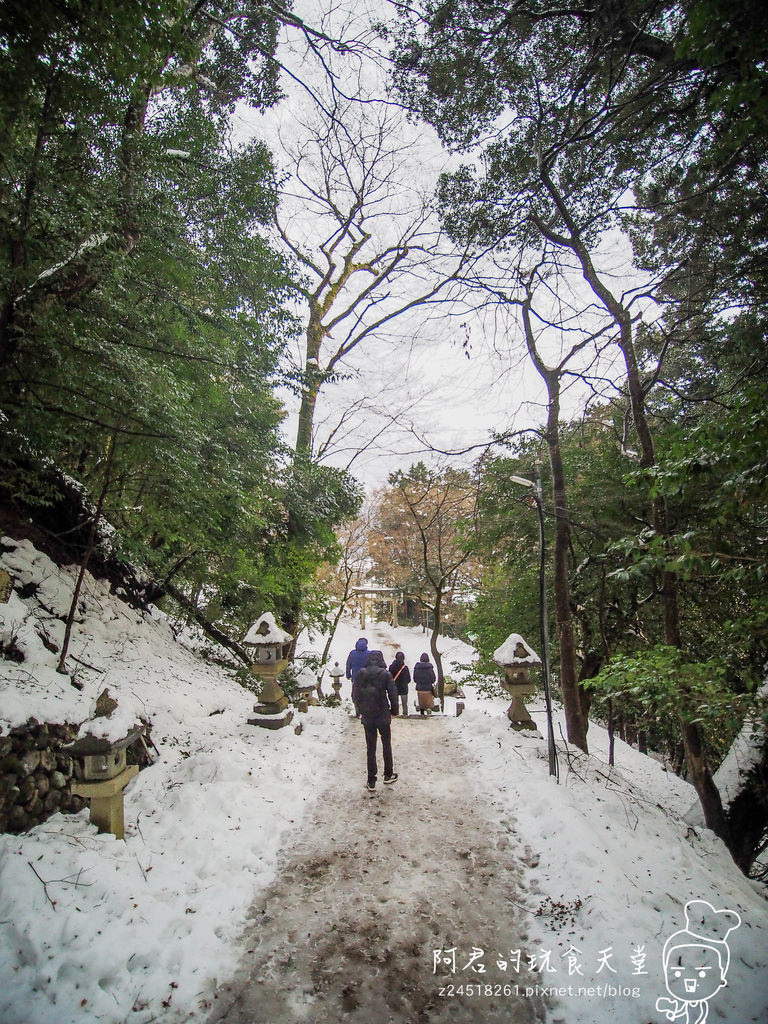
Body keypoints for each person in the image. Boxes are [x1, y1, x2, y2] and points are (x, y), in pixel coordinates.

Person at [351, 650, 399, 791]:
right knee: (386, 744)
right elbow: (393, 693)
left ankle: (371, 780)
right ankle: (388, 774)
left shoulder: (361, 674)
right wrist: (394, 711)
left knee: (370, 748)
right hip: (382, 714)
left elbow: (355, 693)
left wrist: (360, 709)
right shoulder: (385, 674)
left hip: (368, 715)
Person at [388, 651, 411, 718]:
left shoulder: (391, 667)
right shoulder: (405, 668)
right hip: (404, 688)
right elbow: (409, 679)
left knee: (395, 702)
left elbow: (389, 677)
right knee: (404, 704)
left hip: (394, 688)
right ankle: (405, 715)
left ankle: (396, 714)